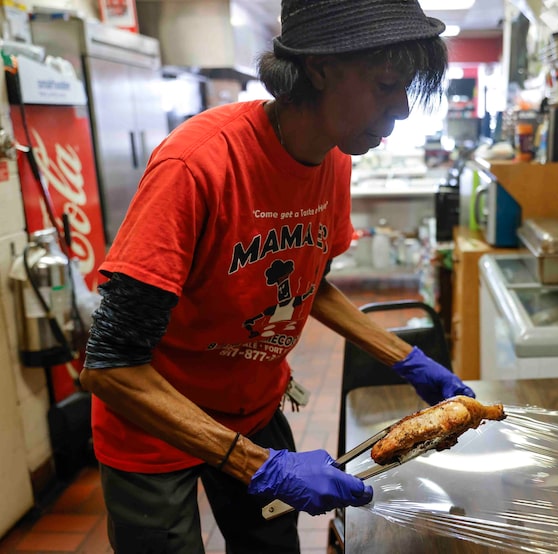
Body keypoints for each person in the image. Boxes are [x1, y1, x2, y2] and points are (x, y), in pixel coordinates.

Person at [79, 1, 475, 552]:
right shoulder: (198, 166)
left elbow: (309, 284)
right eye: (387, 85)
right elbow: (110, 367)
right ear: (318, 67)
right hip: (155, 420)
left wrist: (404, 358)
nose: (402, 110)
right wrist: (256, 465)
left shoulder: (335, 157)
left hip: (253, 405)